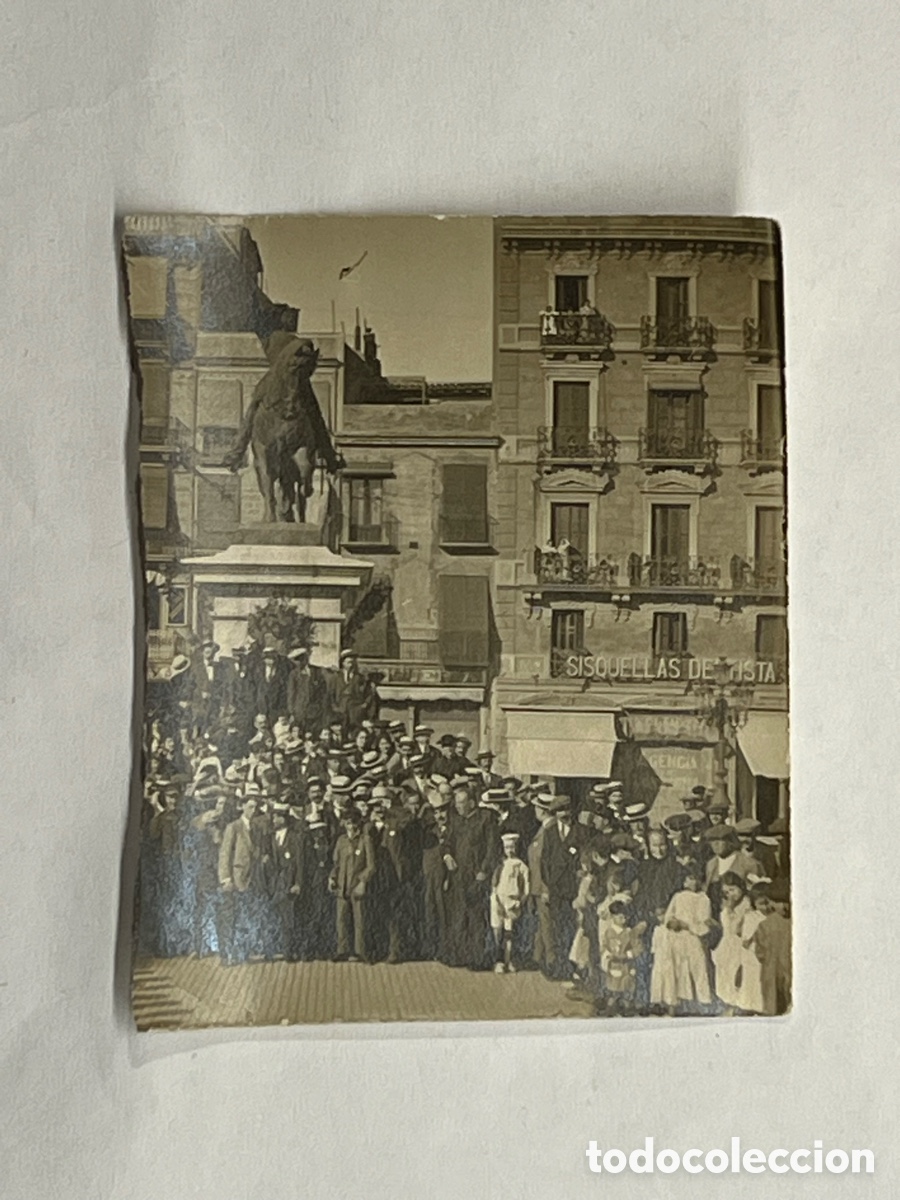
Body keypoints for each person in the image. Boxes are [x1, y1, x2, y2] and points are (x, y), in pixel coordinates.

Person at [654, 864, 715, 1011]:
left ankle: (703, 1003)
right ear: (684, 881)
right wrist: (672, 922)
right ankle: (675, 1004)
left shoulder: (703, 899)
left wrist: (687, 925)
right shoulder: (678, 897)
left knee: (698, 968)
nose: (692, 883)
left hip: (692, 938)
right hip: (675, 938)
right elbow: (668, 916)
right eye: (689, 879)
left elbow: (704, 925)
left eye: (695, 879)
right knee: (676, 969)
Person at [446, 784, 493, 969]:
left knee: (476, 917)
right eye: (456, 803)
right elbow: (448, 843)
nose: (458, 806)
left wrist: (484, 870)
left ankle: (477, 958)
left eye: (461, 803)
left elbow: (491, 848)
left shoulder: (485, 819)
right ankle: (460, 955)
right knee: (459, 916)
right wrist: (447, 855)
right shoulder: (456, 821)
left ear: (472, 803)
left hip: (477, 875)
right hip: (459, 875)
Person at [539, 795, 587, 980]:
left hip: (573, 889)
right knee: (557, 927)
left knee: (572, 928)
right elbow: (545, 860)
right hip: (555, 889)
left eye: (566, 810)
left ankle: (571, 967)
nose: (564, 814)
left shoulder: (581, 832)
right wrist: (547, 886)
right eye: (560, 811)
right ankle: (559, 966)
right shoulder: (550, 832)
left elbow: (584, 858)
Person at [217, 794, 265, 966]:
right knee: (230, 918)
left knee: (246, 916)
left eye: (255, 807)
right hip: (236, 879)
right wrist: (225, 878)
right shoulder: (234, 827)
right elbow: (225, 853)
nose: (253, 811)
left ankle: (242, 952)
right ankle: (226, 954)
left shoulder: (257, 828)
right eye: (250, 807)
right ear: (243, 807)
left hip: (251, 879)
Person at [329, 810, 375, 962]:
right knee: (341, 919)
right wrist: (332, 878)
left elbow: (371, 866)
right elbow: (336, 863)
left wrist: (363, 881)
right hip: (342, 886)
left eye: (353, 823)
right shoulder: (341, 841)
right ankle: (342, 950)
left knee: (360, 919)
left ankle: (360, 951)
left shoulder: (365, 840)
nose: (351, 826)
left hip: (357, 886)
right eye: (348, 823)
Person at [710, 872, 752, 1011]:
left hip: (740, 944)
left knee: (737, 976)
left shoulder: (746, 906)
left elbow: (737, 929)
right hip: (727, 944)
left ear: (740, 887)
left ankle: (738, 1007)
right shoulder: (728, 905)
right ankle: (728, 1006)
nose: (730, 894)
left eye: (733, 890)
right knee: (724, 975)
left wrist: (729, 909)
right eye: (726, 891)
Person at [490, 832, 530, 974]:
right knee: (498, 931)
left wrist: (521, 901)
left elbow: (526, 888)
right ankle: (499, 960)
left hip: (513, 901)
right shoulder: (500, 864)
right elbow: (494, 883)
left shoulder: (521, 865)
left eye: (512, 847)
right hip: (498, 900)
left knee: (510, 932)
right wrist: (495, 899)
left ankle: (510, 960)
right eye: (507, 848)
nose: (510, 850)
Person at [751, 878, 792, 1015]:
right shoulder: (764, 926)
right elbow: (760, 952)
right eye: (778, 902)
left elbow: (760, 953)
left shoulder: (796, 923)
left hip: (783, 971)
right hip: (773, 972)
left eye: (786, 901)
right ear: (771, 902)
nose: (784, 906)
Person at [600, 901, 646, 1014]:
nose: (623, 920)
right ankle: (611, 1008)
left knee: (626, 987)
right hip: (614, 964)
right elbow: (604, 946)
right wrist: (607, 954)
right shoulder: (609, 932)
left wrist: (628, 954)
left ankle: (627, 1008)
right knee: (613, 988)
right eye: (620, 917)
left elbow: (638, 947)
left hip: (626, 965)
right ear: (613, 917)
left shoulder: (629, 933)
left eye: (625, 917)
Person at [328, 649, 379, 734]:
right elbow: (331, 694)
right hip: (340, 713)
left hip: (356, 713)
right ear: (343, 663)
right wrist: (335, 707)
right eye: (348, 662)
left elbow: (369, 694)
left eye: (352, 662)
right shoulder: (336, 677)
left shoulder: (360, 678)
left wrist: (364, 705)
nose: (351, 665)